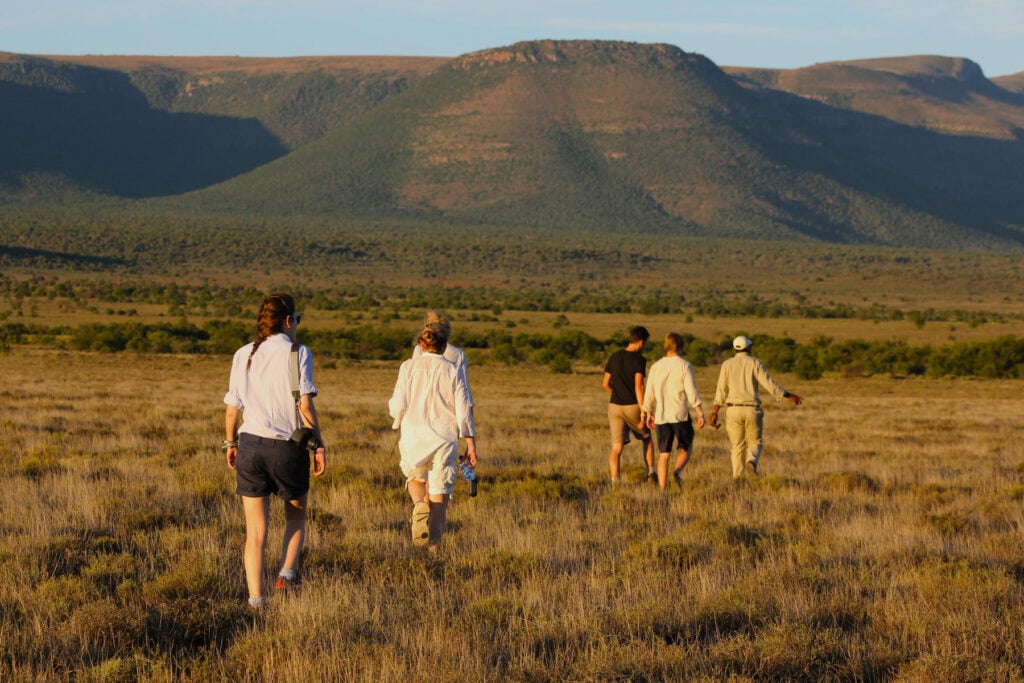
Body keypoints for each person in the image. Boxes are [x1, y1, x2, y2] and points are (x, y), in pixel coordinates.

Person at [223, 293, 327, 609]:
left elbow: (231, 408)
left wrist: (231, 444)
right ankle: (286, 573)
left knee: (255, 532)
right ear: (287, 321)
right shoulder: (299, 352)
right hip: (288, 449)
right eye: (296, 320)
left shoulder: (244, 354)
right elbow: (304, 404)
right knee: (295, 516)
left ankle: (256, 600)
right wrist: (319, 445)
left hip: (250, 447)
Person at [389, 321, 477, 552]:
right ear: (445, 345)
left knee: (415, 479)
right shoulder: (453, 369)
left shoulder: (407, 367)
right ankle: (434, 550)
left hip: (413, 434)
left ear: (421, 343)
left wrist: (397, 418)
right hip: (444, 438)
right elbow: (463, 408)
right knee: (440, 495)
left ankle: (419, 504)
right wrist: (470, 444)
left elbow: (398, 404)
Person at [709, 336, 803, 478]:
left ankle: (738, 479)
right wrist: (789, 395)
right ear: (748, 348)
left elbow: (721, 390)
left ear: (735, 348)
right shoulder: (756, 363)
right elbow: (769, 385)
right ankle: (751, 460)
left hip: (733, 409)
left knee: (737, 447)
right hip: (752, 408)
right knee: (755, 442)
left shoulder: (726, 364)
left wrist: (715, 412)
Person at [643, 332, 705, 490]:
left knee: (664, 455)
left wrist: (648, 413)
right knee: (687, 446)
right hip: (680, 414)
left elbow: (649, 392)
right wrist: (699, 411)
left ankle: (662, 490)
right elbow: (691, 391)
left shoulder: (656, 366)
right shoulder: (685, 365)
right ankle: (677, 472)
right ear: (681, 346)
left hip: (661, 416)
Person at [603, 325, 655, 483]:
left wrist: (618, 394)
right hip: (633, 406)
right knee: (647, 438)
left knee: (617, 447)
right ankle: (651, 473)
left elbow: (605, 383)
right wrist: (643, 411)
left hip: (614, 406)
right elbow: (639, 386)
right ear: (640, 341)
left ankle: (615, 482)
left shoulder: (615, 356)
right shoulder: (639, 359)